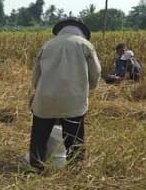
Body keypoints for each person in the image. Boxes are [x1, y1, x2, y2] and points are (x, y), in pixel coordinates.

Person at [28, 17, 101, 170]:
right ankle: (75, 169)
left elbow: (36, 77)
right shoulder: (85, 45)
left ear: (61, 29)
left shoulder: (48, 45)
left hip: (45, 99)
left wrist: (39, 91)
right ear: (81, 30)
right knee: (74, 139)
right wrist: (88, 88)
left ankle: (36, 168)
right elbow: (95, 73)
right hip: (74, 100)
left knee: (39, 138)